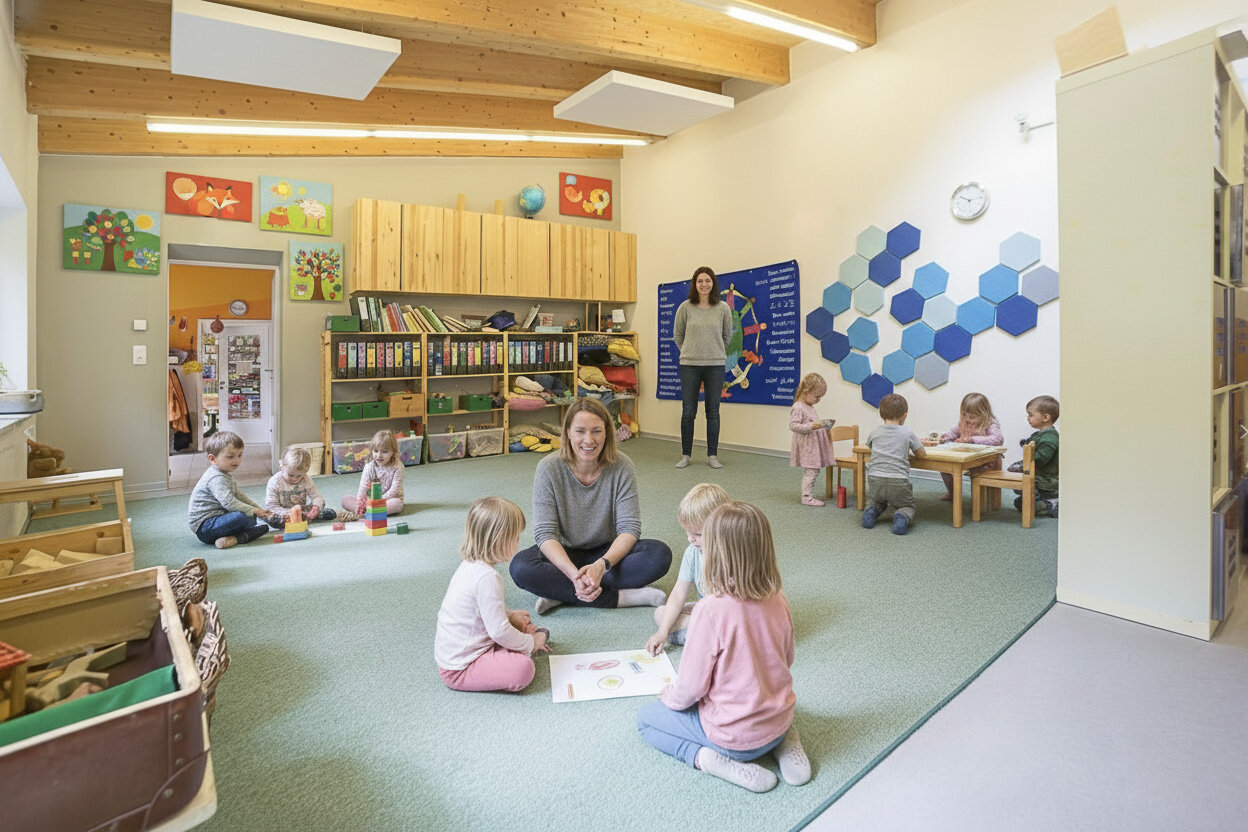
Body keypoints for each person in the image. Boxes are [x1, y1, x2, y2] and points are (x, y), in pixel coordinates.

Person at [636, 500, 810, 793]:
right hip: (779, 719)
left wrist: (671, 698)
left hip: (731, 740)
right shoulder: (778, 597)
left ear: (715, 554)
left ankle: (709, 760)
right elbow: (788, 656)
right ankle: (784, 739)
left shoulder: (709, 610)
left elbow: (691, 688)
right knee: (764, 707)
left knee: (646, 721)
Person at [510, 398, 672, 613]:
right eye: (580, 431)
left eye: (596, 431)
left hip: (607, 554)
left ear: (606, 433)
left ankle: (560, 594)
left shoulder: (622, 465)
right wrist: (572, 575)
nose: (589, 440)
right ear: (567, 432)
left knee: (659, 554)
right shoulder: (548, 468)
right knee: (520, 567)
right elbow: (545, 533)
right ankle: (619, 598)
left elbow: (629, 528)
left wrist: (601, 566)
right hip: (565, 553)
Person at [435, 497, 551, 693]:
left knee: (516, 623)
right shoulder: (488, 578)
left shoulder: (470, 566)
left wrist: (509, 614)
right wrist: (531, 643)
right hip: (461, 668)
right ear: (499, 539)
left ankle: (511, 646)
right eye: (515, 538)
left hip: (461, 653)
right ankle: (518, 647)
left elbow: (481, 607)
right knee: (523, 669)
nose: (517, 544)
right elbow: (499, 632)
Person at [645, 482, 731, 655]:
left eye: (698, 534)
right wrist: (663, 632)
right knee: (661, 614)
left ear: (721, 527)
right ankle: (711, 638)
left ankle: (717, 640)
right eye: (687, 532)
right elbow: (678, 594)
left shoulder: (733, 554)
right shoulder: (692, 552)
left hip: (730, 617)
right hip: (706, 613)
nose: (691, 539)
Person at [673, 266, 733, 470]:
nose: (704, 284)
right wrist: (690, 352)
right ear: (695, 284)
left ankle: (712, 455)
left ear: (713, 283)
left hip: (715, 365)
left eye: (708, 280)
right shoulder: (685, 307)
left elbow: (727, 336)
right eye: (700, 281)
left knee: (713, 411)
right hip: (689, 365)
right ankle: (686, 455)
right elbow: (678, 335)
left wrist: (714, 353)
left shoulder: (723, 308)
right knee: (688, 411)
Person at [187, 430, 270, 549]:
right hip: (205, 528)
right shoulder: (216, 478)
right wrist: (255, 511)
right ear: (213, 459)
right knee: (243, 517)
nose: (236, 460)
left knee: (254, 519)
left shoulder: (224, 474)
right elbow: (229, 502)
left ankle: (232, 538)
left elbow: (239, 496)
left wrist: (260, 510)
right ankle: (239, 537)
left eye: (239, 455)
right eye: (230, 456)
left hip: (219, 518)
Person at [862, 393, 926, 535]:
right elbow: (921, 454)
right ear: (904, 415)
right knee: (907, 506)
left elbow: (875, 449)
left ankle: (871, 513)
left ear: (881, 414)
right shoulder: (907, 432)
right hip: (898, 481)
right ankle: (901, 517)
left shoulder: (874, 431)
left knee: (875, 501)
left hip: (874, 479)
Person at [922, 392, 1003, 501]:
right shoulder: (963, 422)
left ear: (984, 414)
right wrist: (945, 438)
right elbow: (953, 432)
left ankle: (980, 498)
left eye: (972, 417)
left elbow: (998, 439)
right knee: (946, 468)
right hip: (965, 457)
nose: (968, 419)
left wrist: (973, 439)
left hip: (985, 460)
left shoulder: (990, 424)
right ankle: (953, 493)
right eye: (964, 414)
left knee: (977, 473)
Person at [265, 446, 353, 528]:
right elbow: (271, 506)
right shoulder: (275, 482)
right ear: (282, 466)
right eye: (291, 475)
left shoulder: (305, 479)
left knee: (330, 513)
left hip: (304, 512)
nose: (295, 479)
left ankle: (313, 516)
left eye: (299, 476)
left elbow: (317, 497)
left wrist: (316, 508)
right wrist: (291, 513)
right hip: (283, 513)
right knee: (271, 518)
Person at [789, 373, 836, 507]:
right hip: (807, 445)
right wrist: (814, 425)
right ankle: (807, 498)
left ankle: (808, 496)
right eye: (817, 396)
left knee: (814, 470)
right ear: (806, 392)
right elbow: (793, 425)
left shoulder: (809, 406)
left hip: (812, 444)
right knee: (812, 470)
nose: (819, 400)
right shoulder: (798, 407)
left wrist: (822, 425)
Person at [1015, 395, 1060, 517]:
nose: (1028, 418)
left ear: (1046, 417)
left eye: (1031, 415)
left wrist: (1021, 465)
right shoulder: (1040, 434)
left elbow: (1040, 459)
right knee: (1019, 503)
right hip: (1040, 477)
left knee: (1023, 493)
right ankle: (1044, 504)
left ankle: (1053, 503)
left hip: (1047, 481)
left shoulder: (1050, 438)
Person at [342, 430, 405, 515]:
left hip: (388, 500)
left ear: (393, 452)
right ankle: (370, 511)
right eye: (376, 451)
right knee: (345, 499)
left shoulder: (398, 467)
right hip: (369, 501)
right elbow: (363, 488)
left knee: (397, 504)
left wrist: (377, 502)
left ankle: (369, 512)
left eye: (385, 451)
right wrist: (360, 503)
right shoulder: (369, 466)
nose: (379, 455)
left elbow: (394, 490)